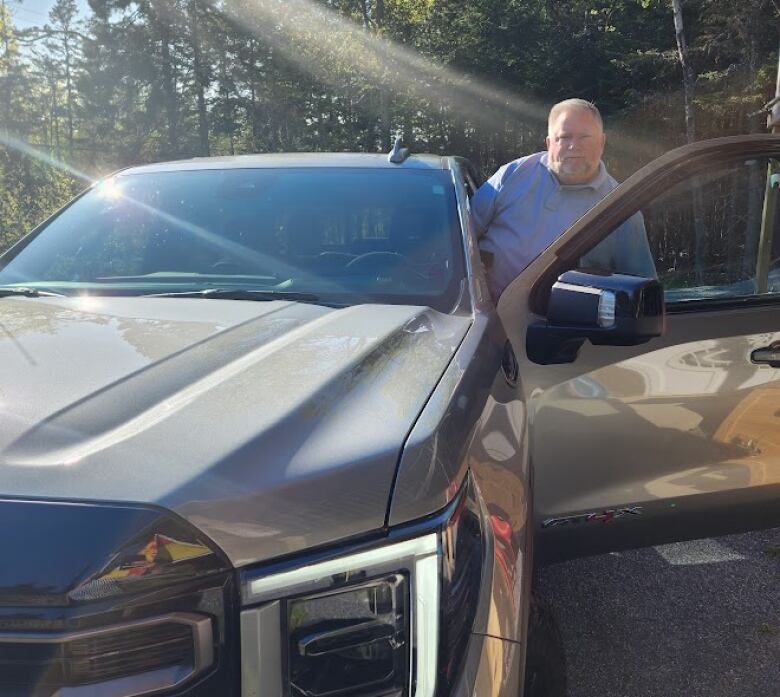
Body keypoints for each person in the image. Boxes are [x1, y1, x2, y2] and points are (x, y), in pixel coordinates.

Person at [471, 98, 656, 299]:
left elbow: (643, 292)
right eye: (564, 137)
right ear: (549, 143)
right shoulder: (513, 174)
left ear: (602, 142)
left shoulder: (621, 208)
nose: (573, 146)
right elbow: (462, 234)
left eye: (584, 137)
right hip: (483, 316)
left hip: (561, 326)